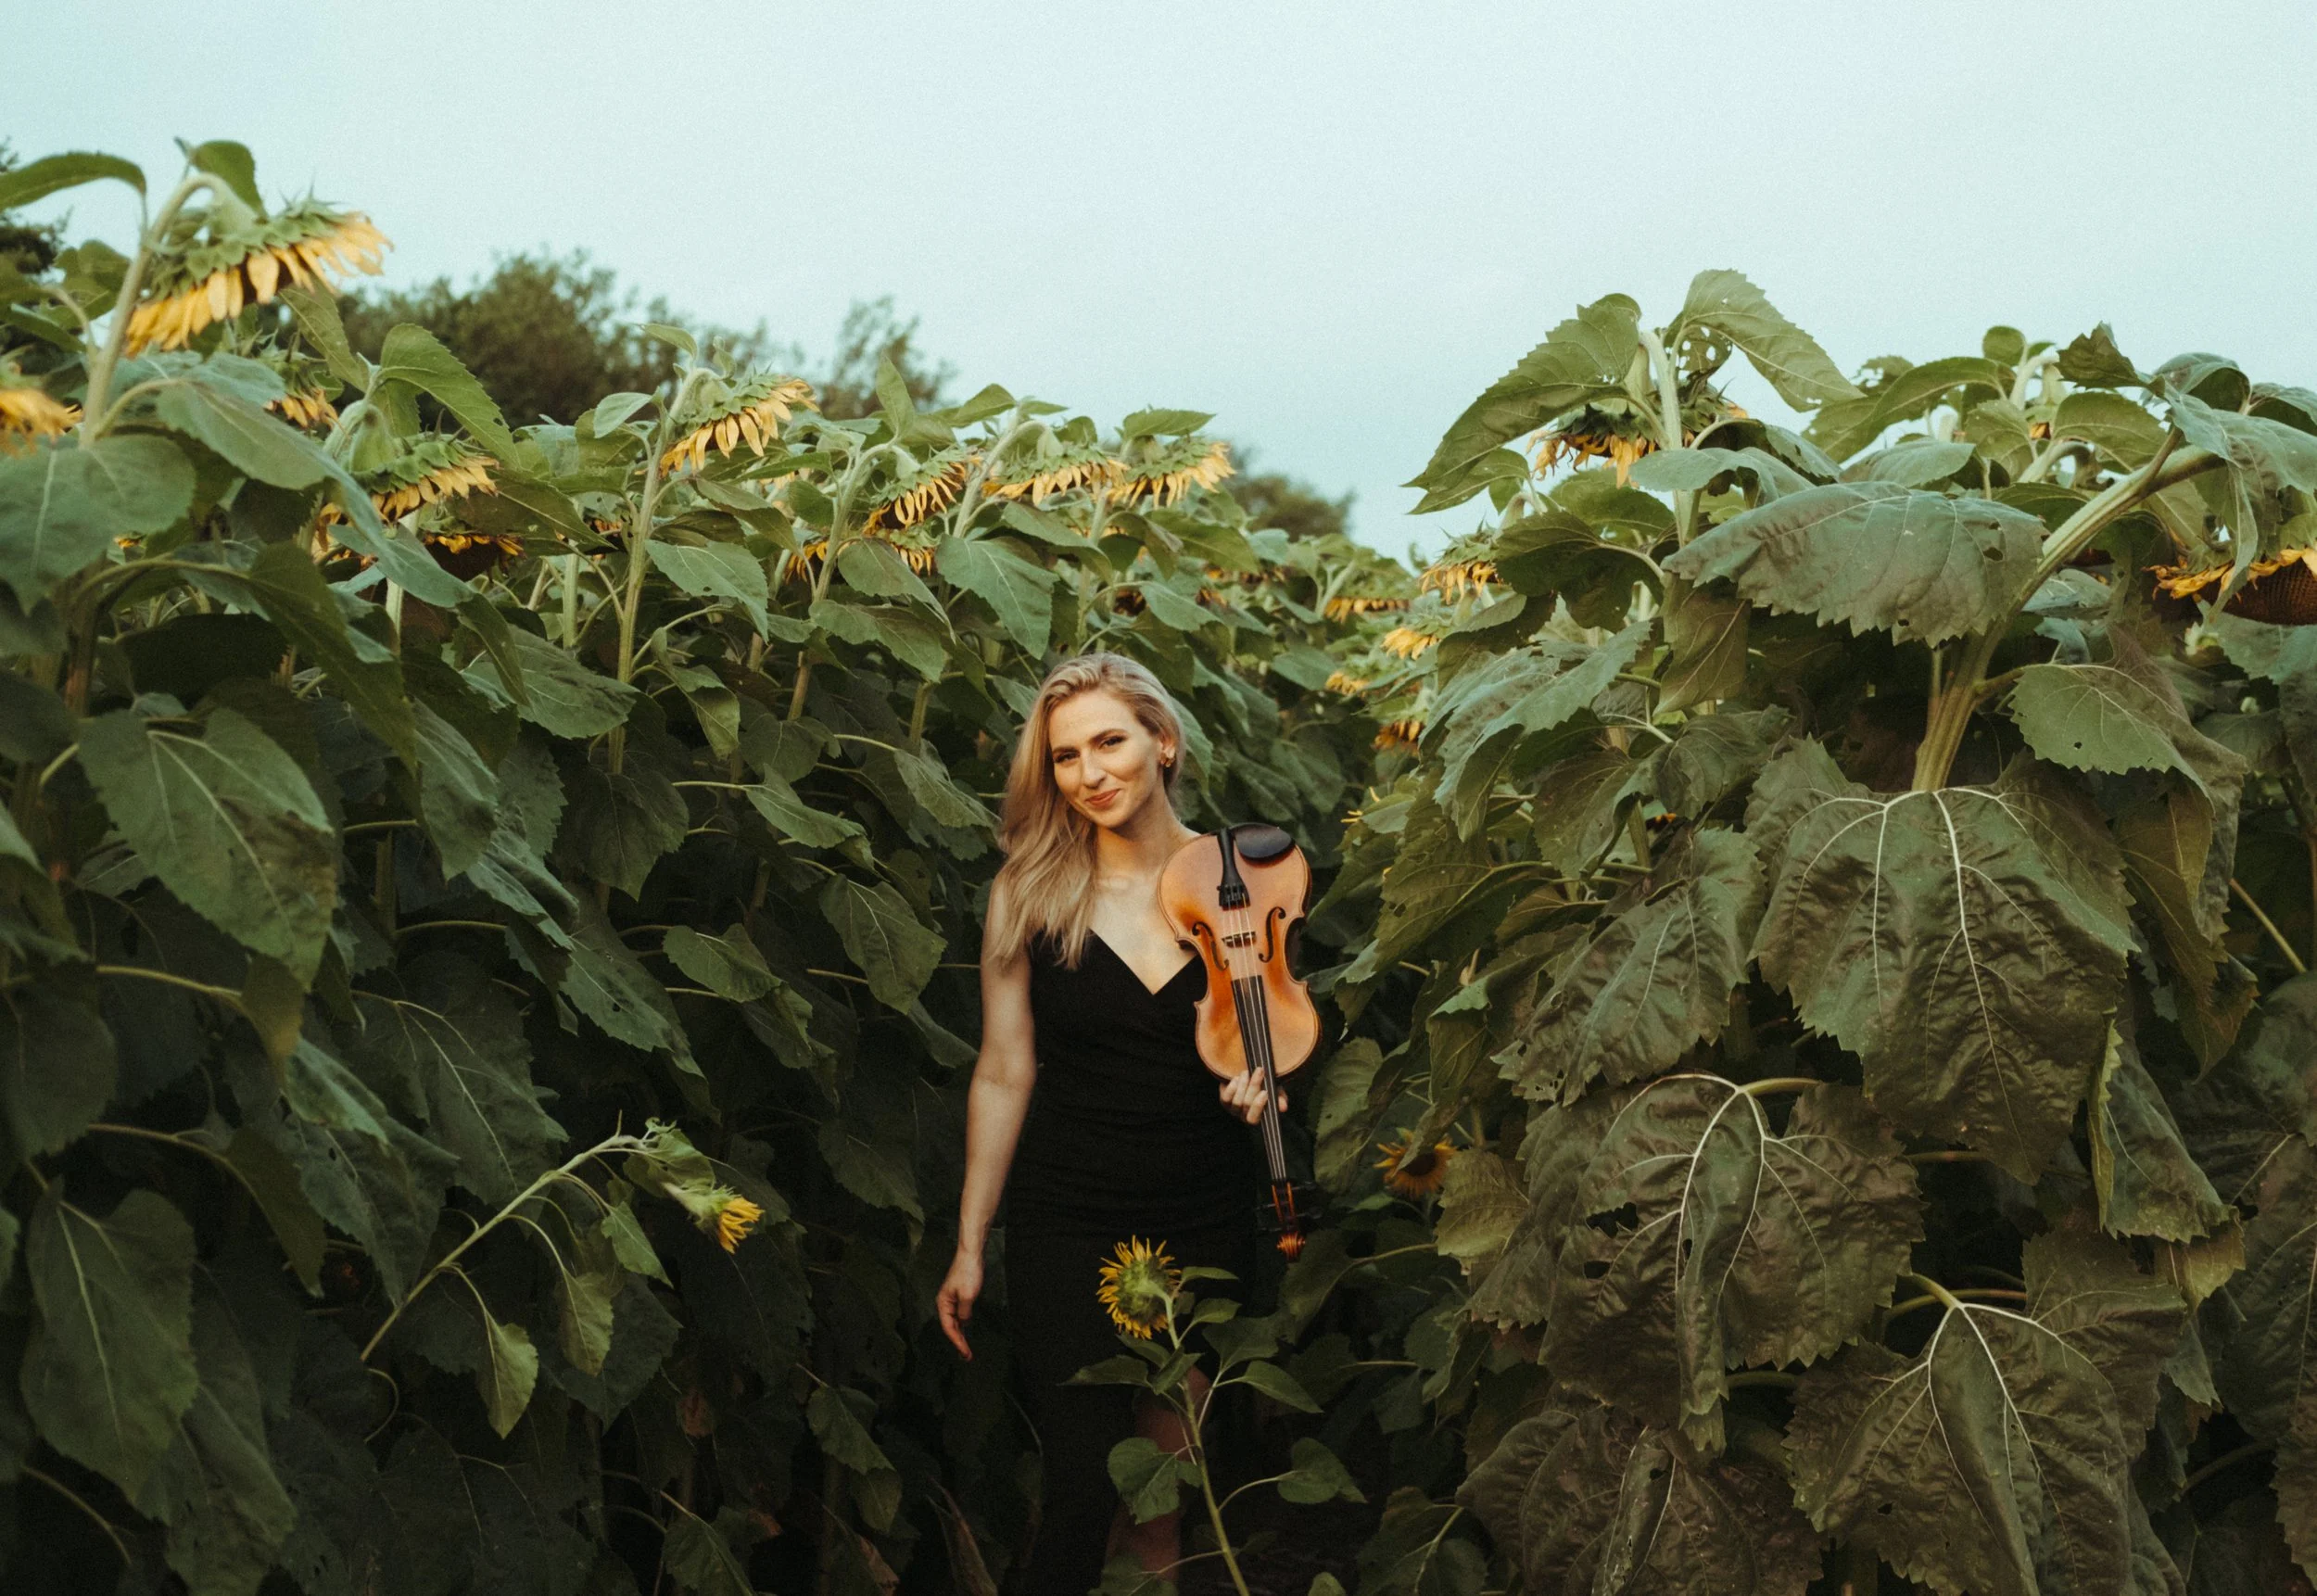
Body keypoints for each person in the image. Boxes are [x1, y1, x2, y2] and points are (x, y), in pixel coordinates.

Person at [936, 652, 1279, 1595]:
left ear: (1162, 743)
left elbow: (1277, 1040)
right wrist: (971, 1244)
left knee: (1167, 1500)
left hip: (1202, 1213)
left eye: (1109, 742)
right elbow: (1004, 1071)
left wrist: (1266, 1088)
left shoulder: (1242, 886)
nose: (1089, 773)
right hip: (1067, 1217)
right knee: (1083, 1484)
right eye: (1064, 757)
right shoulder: (1032, 893)